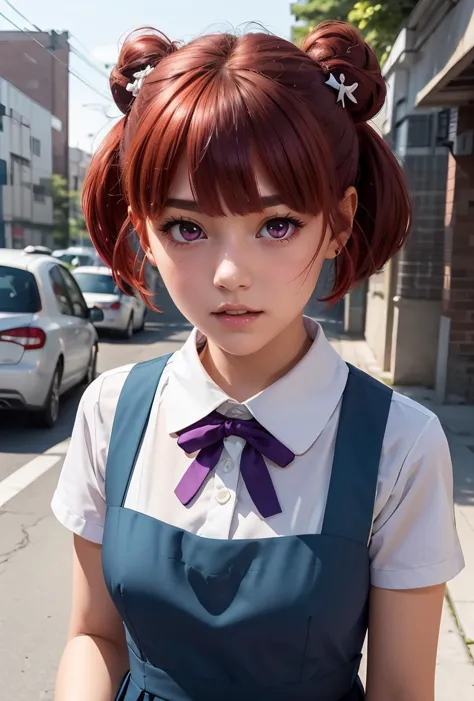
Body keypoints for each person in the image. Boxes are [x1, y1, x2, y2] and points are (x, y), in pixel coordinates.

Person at [51, 20, 464, 701]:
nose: (229, 273)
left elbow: (400, 689)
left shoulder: (401, 444)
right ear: (146, 233)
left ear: (338, 220)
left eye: (276, 224)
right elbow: (94, 634)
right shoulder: (112, 409)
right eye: (188, 227)